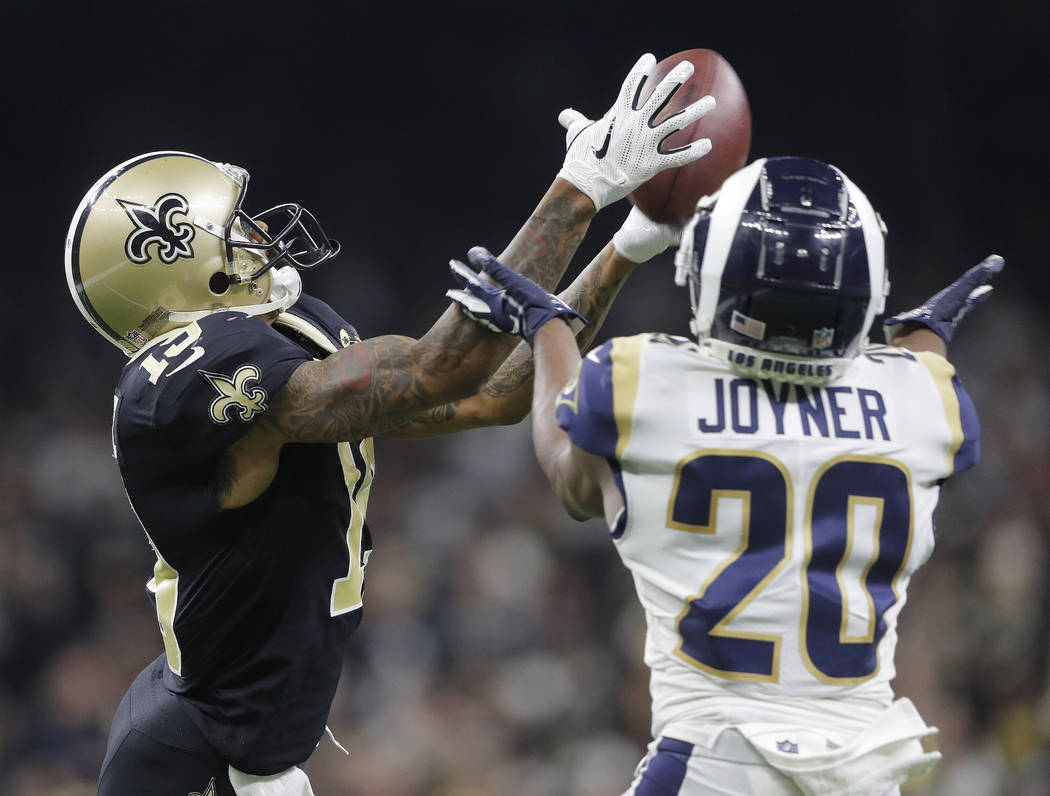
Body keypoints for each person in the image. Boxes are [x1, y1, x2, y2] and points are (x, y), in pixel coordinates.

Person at [64, 53, 717, 795]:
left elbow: (491, 396)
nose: (252, 230)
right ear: (180, 265)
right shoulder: (188, 376)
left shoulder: (282, 332)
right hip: (200, 763)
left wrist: (624, 247)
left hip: (252, 753)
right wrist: (576, 193)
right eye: (230, 226)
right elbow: (443, 368)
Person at [447, 155, 1003, 795]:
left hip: (712, 765)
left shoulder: (641, 382)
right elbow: (866, 407)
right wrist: (925, 337)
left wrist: (547, 328)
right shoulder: (922, 394)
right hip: (864, 770)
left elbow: (570, 480)